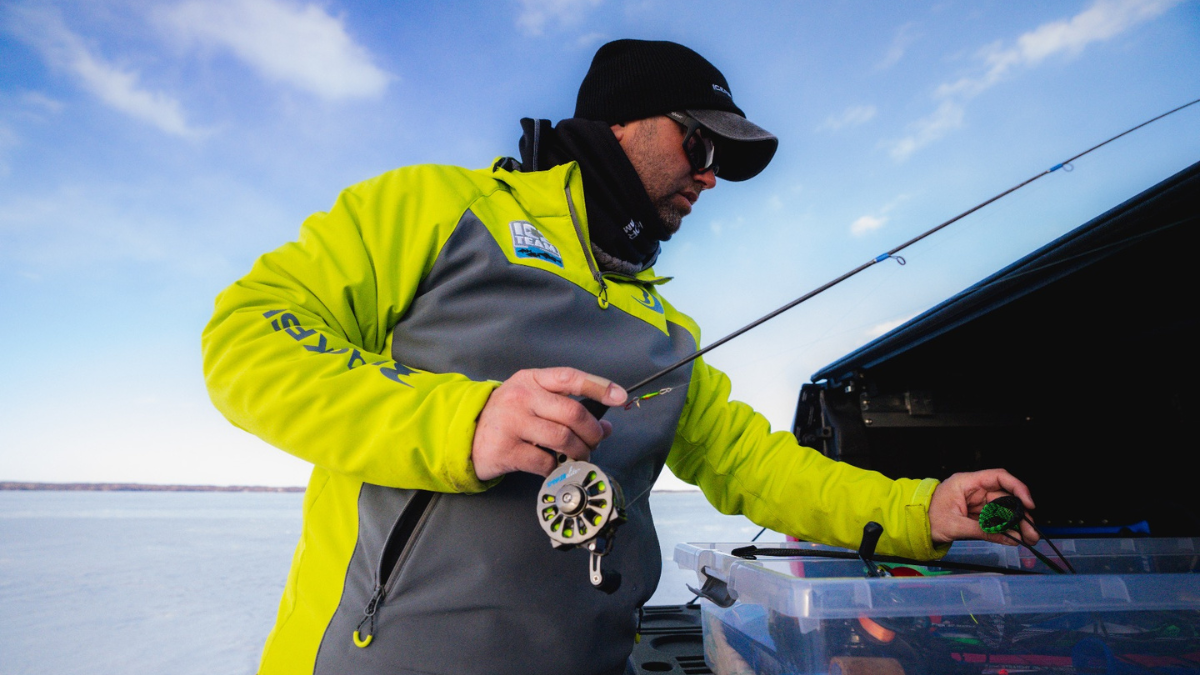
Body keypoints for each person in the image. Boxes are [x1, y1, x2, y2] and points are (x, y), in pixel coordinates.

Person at [201, 39, 1037, 675]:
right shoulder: (435, 207)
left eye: (724, 165)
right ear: (622, 122)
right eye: (700, 146)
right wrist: (463, 419)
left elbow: (760, 466)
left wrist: (921, 509)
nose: (709, 179)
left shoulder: (667, 334)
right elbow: (249, 334)